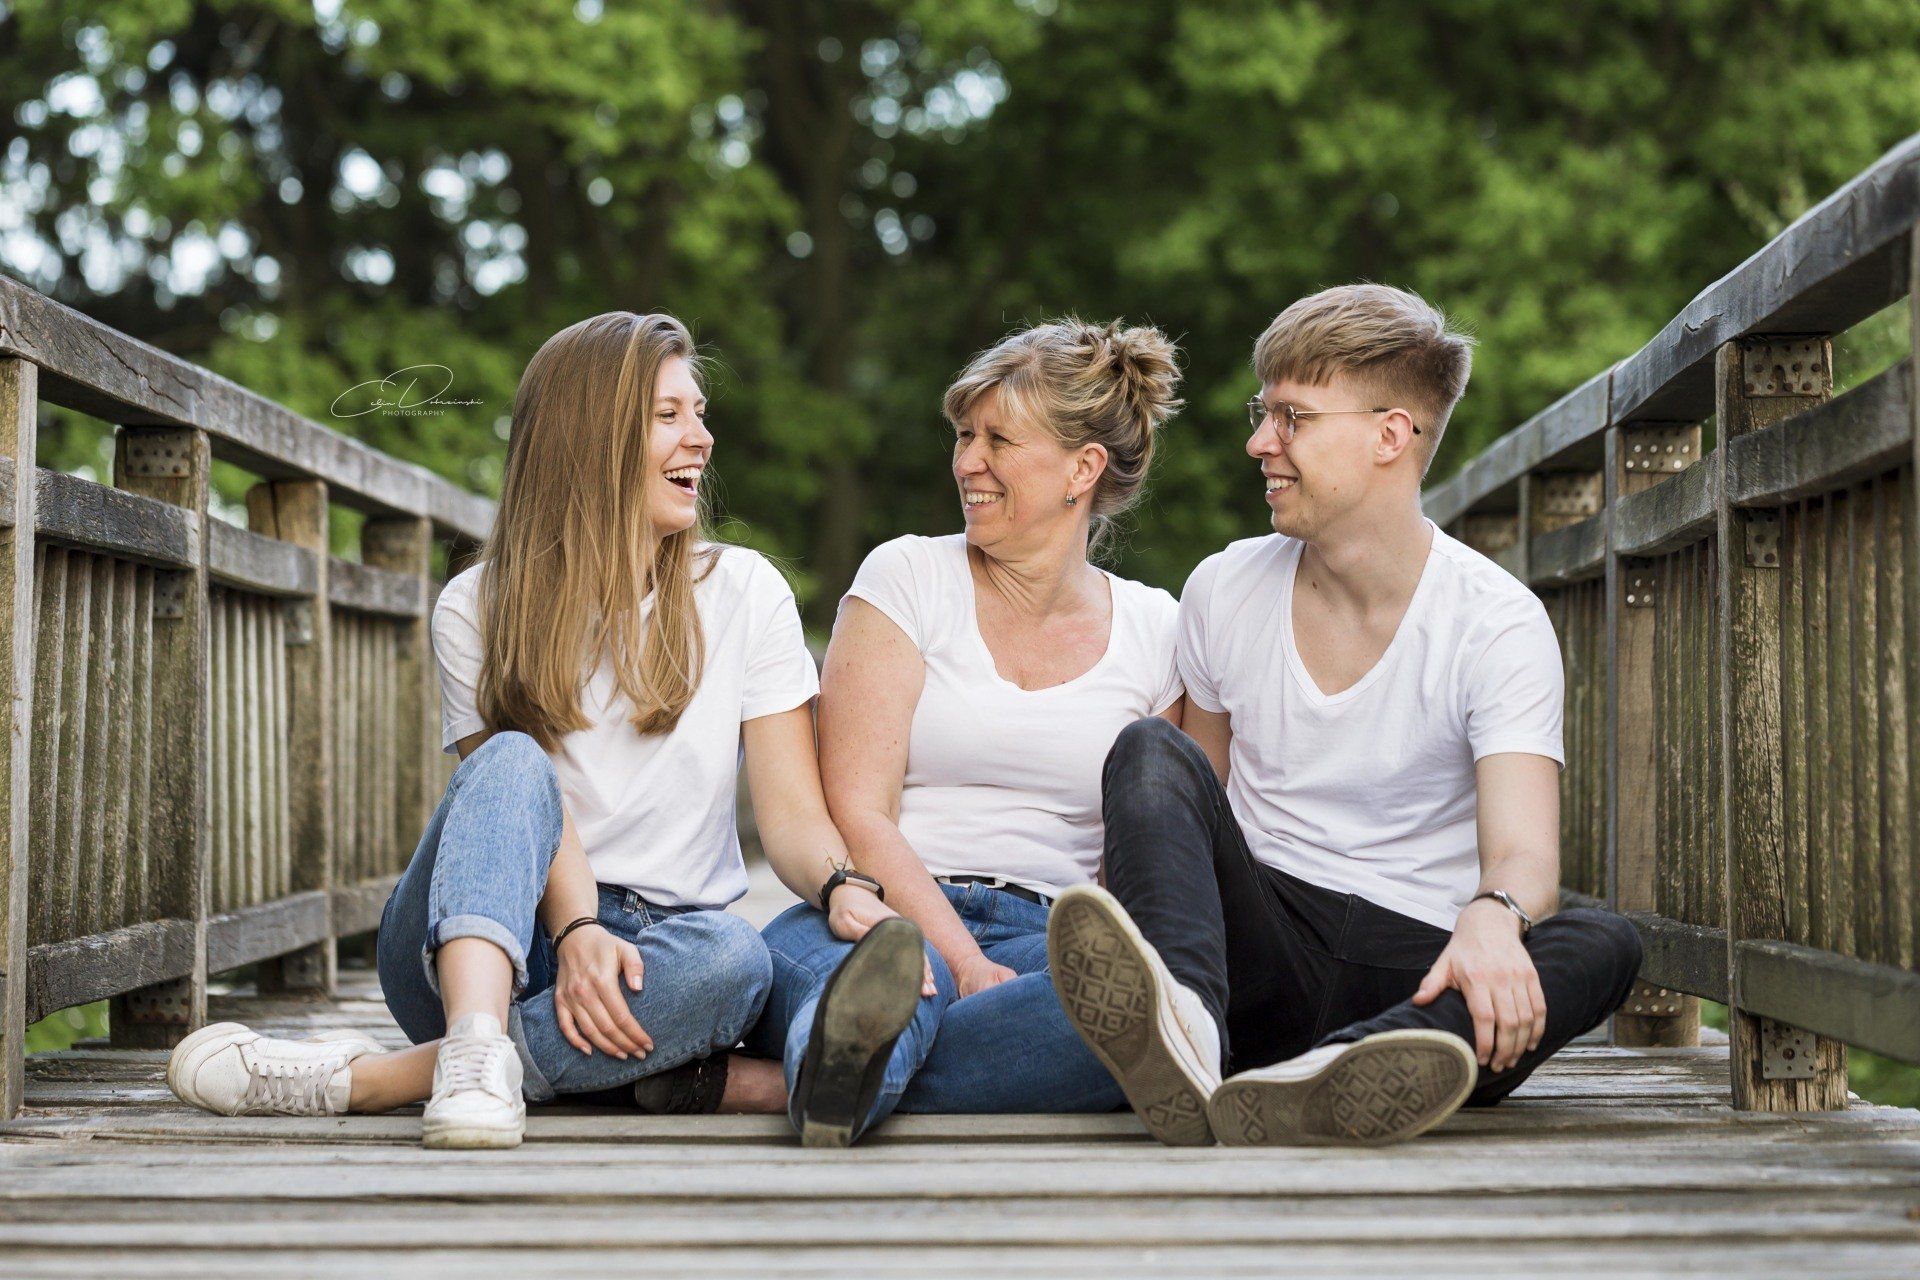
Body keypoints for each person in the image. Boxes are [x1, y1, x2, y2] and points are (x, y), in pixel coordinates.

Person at [165, 312, 921, 1148]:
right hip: (484, 939)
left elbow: (792, 817)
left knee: (735, 961)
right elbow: (516, 798)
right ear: (589, 437)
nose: (702, 439)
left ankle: (389, 1079)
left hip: (658, 958)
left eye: (699, 413)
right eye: (668, 415)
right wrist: (578, 926)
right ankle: (498, 1040)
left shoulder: (747, 592)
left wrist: (845, 886)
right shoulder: (475, 604)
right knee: (512, 759)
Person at [1049, 285, 1644, 1147]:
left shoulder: (1497, 622)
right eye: (1263, 414)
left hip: (1420, 967)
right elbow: (1195, 800)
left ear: (1389, 436)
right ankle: (1187, 1038)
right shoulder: (1224, 586)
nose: (1260, 442)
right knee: (1150, 752)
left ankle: (1347, 1071)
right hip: (1257, 957)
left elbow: (1525, 854)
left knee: (1607, 942)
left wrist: (1493, 915)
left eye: (1290, 417)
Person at [741, 319, 1187, 1145]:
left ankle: (804, 1079)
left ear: (1082, 469)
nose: (967, 462)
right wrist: (962, 960)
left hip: (1050, 938)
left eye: (998, 440)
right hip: (873, 913)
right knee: (886, 983)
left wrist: (1012, 968)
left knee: (1144, 1010)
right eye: (963, 436)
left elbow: (1134, 860)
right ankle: (863, 1051)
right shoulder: (907, 576)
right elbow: (858, 811)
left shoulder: (1159, 631)